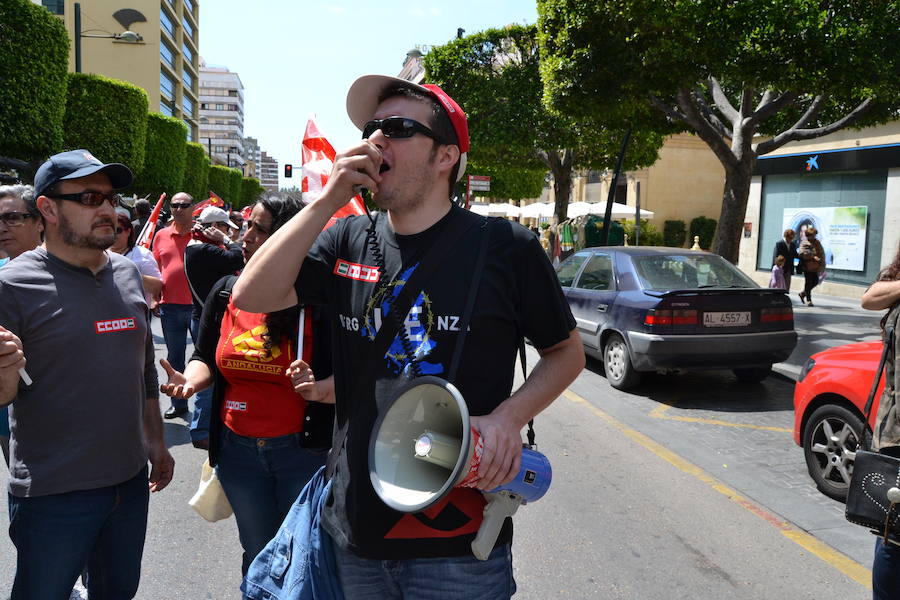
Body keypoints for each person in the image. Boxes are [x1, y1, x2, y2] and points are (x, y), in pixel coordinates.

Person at [232, 75, 584, 598]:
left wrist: (509, 417)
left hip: (459, 543)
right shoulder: (347, 237)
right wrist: (327, 200)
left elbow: (566, 353)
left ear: (445, 156)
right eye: (370, 130)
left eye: (396, 128)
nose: (375, 140)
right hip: (355, 529)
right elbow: (252, 295)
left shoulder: (505, 246)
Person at [0, 149, 174, 598]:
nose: (108, 210)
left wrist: (156, 440)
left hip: (128, 485)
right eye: (90, 198)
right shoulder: (12, 285)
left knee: (117, 592)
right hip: (54, 493)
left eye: (111, 198)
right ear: (47, 207)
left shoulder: (128, 274)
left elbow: (142, 368)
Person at [160, 195, 334, 575]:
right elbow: (206, 357)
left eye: (260, 229)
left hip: (302, 454)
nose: (246, 236)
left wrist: (320, 385)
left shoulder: (320, 300)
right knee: (257, 552)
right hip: (237, 453)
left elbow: (354, 373)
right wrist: (189, 382)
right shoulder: (227, 291)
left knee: (300, 555)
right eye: (248, 225)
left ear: (288, 238)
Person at [183, 205, 244, 448]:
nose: (229, 232)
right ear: (215, 227)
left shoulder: (200, 246)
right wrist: (226, 240)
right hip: (208, 319)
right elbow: (237, 257)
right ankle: (201, 431)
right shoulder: (203, 249)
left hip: (205, 316)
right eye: (225, 227)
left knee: (213, 374)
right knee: (208, 374)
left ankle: (205, 427)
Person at [860, 246, 900, 599]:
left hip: (893, 433)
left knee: (892, 530)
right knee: (894, 533)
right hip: (897, 436)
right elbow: (868, 298)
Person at [0, 184, 44, 467]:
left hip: (56, 417)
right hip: (6, 417)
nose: (2, 227)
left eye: (12, 218)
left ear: (40, 221)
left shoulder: (70, 275)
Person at [153, 191, 196, 419]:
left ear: (193, 208)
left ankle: (206, 411)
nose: (178, 209)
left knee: (204, 359)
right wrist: (155, 297)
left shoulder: (201, 234)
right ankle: (178, 404)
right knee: (175, 358)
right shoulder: (161, 235)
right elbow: (155, 268)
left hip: (198, 308)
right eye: (174, 205)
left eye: (184, 205)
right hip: (170, 306)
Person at [110, 206, 162, 306]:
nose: (113, 234)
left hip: (134, 311)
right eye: (109, 230)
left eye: (118, 230)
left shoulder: (142, 255)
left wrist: (130, 274)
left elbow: (157, 287)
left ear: (128, 231)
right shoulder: (99, 254)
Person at [798, 226, 826, 306]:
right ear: (808, 235)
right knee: (808, 282)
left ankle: (803, 293)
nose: (814, 236)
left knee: (815, 281)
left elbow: (821, 253)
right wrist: (813, 257)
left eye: (815, 235)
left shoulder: (817, 242)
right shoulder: (804, 243)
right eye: (813, 235)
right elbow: (802, 253)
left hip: (816, 266)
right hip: (807, 266)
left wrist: (822, 263)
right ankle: (808, 300)